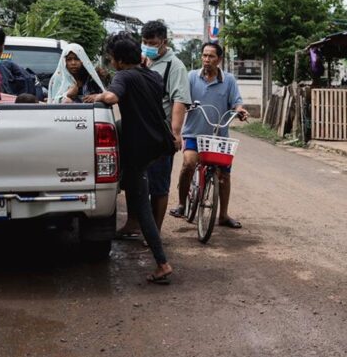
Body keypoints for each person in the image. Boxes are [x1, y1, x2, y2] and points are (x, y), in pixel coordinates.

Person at [84, 37, 178, 284]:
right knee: (135, 183)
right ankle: (125, 184)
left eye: (111, 57)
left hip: (140, 149)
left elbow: (113, 98)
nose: (110, 61)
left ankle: (162, 263)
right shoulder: (152, 76)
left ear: (120, 60)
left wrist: (97, 97)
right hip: (158, 142)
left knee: (141, 203)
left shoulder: (123, 77)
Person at [117, 20, 191, 238]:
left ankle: (154, 233)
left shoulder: (175, 66)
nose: (147, 45)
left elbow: (179, 101)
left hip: (159, 135)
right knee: (133, 178)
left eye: (152, 42)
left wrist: (175, 133)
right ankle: (133, 223)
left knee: (158, 185)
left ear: (164, 42)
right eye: (144, 41)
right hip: (137, 133)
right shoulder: (142, 61)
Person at [171, 40, 248, 228]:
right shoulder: (190, 77)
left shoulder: (228, 80)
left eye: (211, 56)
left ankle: (223, 215)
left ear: (219, 59)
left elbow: (236, 102)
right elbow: (181, 100)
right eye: (204, 55)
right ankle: (182, 204)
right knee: (189, 163)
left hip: (219, 137)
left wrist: (240, 110)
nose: (206, 59)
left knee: (224, 175)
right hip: (193, 134)